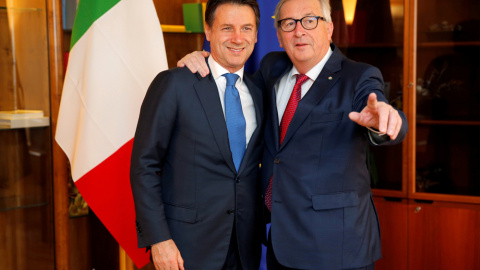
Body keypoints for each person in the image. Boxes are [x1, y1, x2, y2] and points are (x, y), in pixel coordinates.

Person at [178, 0, 408, 269]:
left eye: (310, 20)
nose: (299, 31)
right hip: (281, 243)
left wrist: (385, 121)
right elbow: (234, 87)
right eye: (288, 23)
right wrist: (202, 57)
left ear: (329, 28)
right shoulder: (271, 68)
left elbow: (384, 113)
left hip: (338, 247)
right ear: (278, 34)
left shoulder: (359, 76)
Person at [130, 1, 264, 269]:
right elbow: (144, 166)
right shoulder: (174, 84)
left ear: (256, 34)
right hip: (183, 249)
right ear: (208, 31)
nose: (238, 38)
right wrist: (159, 239)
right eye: (227, 28)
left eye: (246, 28)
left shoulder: (261, 91)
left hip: (244, 249)